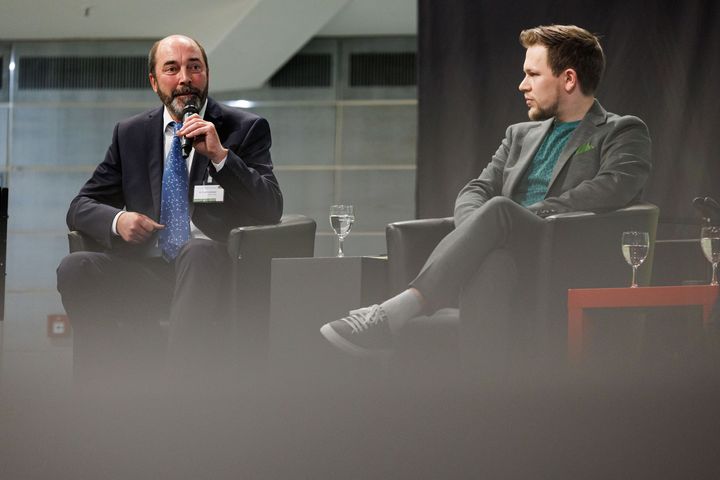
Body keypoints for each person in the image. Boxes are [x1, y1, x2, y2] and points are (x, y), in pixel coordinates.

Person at [320, 24, 652, 357]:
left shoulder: (622, 130)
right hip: (507, 252)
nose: (522, 85)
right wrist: (480, 231)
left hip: (561, 251)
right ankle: (483, 397)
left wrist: (513, 217)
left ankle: (396, 311)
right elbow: (476, 189)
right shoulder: (519, 135)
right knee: (493, 258)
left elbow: (613, 187)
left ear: (568, 79)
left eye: (533, 74)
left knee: (499, 209)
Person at [56, 34, 283, 376]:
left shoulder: (244, 129)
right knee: (75, 267)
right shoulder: (130, 134)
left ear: (206, 74)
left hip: (215, 272)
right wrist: (119, 221)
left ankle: (177, 391)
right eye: (172, 69)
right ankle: (103, 384)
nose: (185, 79)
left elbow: (271, 206)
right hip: (148, 270)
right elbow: (81, 206)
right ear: (154, 81)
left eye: (194, 68)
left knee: (197, 250)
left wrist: (222, 157)